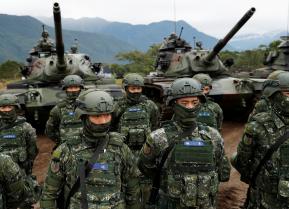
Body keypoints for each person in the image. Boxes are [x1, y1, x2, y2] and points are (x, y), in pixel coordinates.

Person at [138, 78, 230, 209]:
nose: (190, 107)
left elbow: (221, 169)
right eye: (184, 102)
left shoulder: (213, 136)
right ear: (174, 104)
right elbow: (145, 166)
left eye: (194, 102)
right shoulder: (158, 137)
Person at [40, 90, 140, 209]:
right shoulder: (66, 150)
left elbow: (132, 190)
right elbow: (49, 194)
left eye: (107, 115)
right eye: (96, 116)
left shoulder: (121, 148)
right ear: (83, 117)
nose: (103, 122)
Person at [231, 74, 289, 208]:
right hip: (265, 198)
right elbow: (243, 161)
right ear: (275, 95)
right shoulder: (257, 126)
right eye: (287, 93)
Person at [112, 73, 159, 154]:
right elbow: (111, 127)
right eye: (133, 89)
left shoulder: (150, 105)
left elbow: (155, 126)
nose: (136, 91)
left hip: (145, 150)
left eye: (138, 88)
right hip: (123, 150)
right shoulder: (118, 106)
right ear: (126, 89)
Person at [0, 93, 38, 176]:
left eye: (10, 107)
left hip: (21, 170)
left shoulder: (26, 127)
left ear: (16, 108)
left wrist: (28, 163)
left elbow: (32, 149)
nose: (7, 110)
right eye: (3, 107)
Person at [45, 74, 84, 147]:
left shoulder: (89, 105)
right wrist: (61, 141)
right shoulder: (58, 108)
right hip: (67, 148)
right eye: (70, 88)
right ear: (65, 89)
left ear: (80, 88)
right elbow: (50, 130)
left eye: (76, 87)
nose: (73, 90)